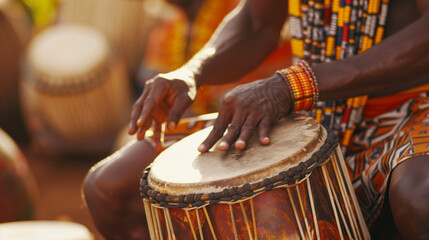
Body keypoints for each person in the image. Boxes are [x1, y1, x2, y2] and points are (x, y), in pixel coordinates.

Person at [83, 0, 429, 239]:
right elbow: (255, 23)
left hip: (413, 107)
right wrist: (192, 72)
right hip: (315, 109)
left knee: (421, 200)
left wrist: (295, 84)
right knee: (111, 187)